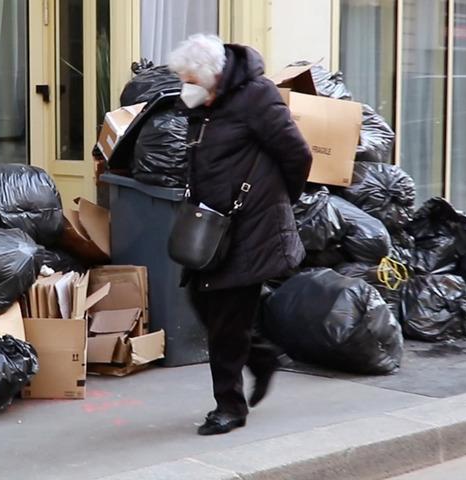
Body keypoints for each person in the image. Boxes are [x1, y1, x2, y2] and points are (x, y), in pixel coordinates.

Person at [167, 34, 312, 435]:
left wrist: (275, 204)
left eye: (190, 78)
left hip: (250, 228)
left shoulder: (257, 97)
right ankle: (262, 357)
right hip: (211, 229)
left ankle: (230, 407)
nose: (186, 85)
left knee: (227, 323)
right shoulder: (206, 103)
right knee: (204, 304)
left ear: (213, 75)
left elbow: (297, 154)